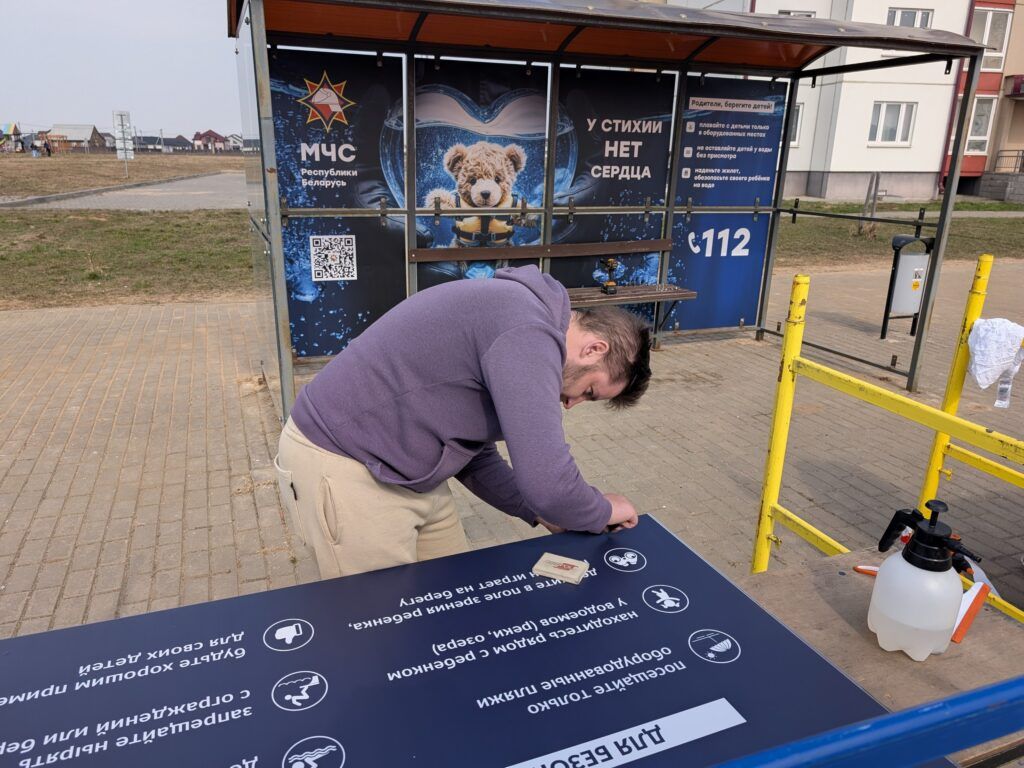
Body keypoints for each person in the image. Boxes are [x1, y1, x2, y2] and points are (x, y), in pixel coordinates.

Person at [275, 264, 651, 578]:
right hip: (345, 463)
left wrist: (539, 513)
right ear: (594, 349)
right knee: (381, 634)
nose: (571, 404)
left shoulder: (520, 323)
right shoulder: (527, 329)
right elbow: (548, 482)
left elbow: (473, 452)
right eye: (589, 391)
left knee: (454, 601)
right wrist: (601, 509)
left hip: (412, 471)